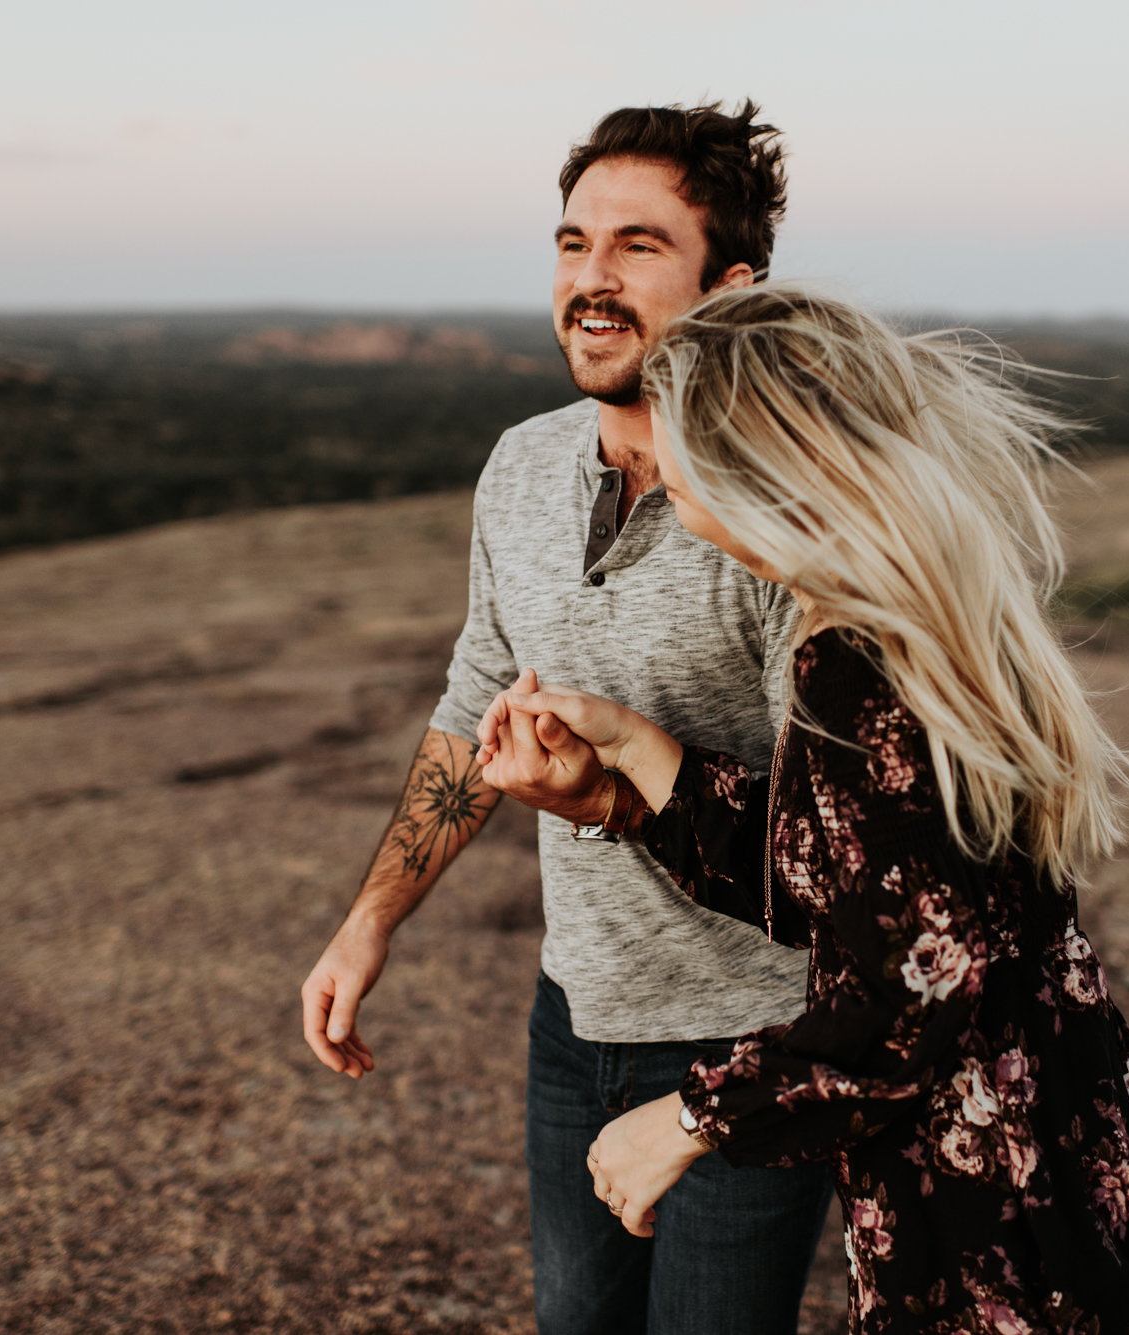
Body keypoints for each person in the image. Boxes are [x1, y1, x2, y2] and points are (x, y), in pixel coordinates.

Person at [476, 285, 1129, 1334]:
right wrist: (636, 765)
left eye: (682, 472)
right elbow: (849, 885)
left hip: (992, 1195)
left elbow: (902, 998)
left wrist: (682, 1122)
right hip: (1040, 1132)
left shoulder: (860, 665)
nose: (668, 491)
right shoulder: (911, 618)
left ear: (763, 472)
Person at [297, 104, 832, 1334]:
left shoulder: (789, 516)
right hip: (573, 1019)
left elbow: (844, 841)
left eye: (638, 247)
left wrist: (614, 790)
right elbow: (476, 694)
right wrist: (369, 919)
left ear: (730, 289)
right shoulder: (522, 466)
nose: (590, 279)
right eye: (571, 241)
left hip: (754, 1041)